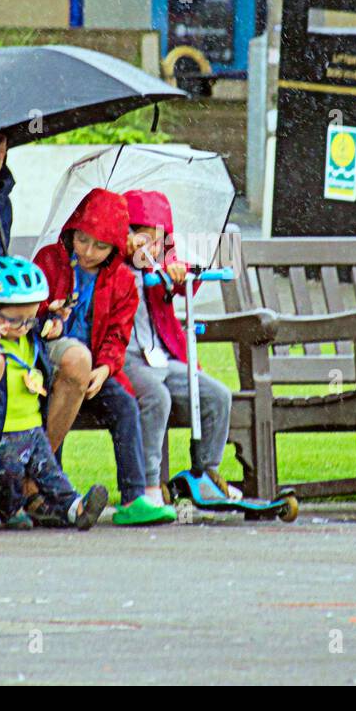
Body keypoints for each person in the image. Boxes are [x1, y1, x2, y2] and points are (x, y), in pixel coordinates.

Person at [31, 189, 176, 526]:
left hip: (94, 369)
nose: (88, 252)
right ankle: (49, 495)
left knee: (124, 406)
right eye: (82, 240)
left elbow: (117, 335)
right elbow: (28, 307)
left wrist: (105, 368)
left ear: (114, 249)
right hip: (46, 366)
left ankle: (133, 497)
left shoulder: (123, 280)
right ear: (72, 232)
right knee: (49, 405)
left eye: (100, 246)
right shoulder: (50, 260)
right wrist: (46, 317)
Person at [0, 256, 109, 529]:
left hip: (34, 430)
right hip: (4, 433)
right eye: (14, 320)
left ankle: (75, 507)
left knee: (50, 473)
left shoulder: (28, 338)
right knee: (9, 475)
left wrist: (52, 320)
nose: (23, 327)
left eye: (29, 320)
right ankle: (9, 511)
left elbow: (45, 328)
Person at [121, 190, 235, 507]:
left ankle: (208, 471)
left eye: (158, 241)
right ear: (126, 236)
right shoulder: (111, 268)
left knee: (216, 395)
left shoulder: (162, 266)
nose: (150, 248)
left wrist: (179, 274)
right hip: (127, 360)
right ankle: (147, 485)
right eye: (142, 239)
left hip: (163, 359)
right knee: (156, 398)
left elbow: (186, 279)